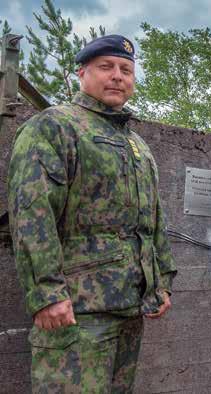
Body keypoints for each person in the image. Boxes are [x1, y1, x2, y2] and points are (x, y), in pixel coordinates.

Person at [8, 35, 177, 392]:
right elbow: (31, 213)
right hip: (77, 311)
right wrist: (47, 294)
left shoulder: (136, 144)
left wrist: (161, 282)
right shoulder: (54, 126)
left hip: (130, 307)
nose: (118, 76)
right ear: (82, 72)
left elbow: (153, 219)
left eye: (126, 70)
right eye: (106, 67)